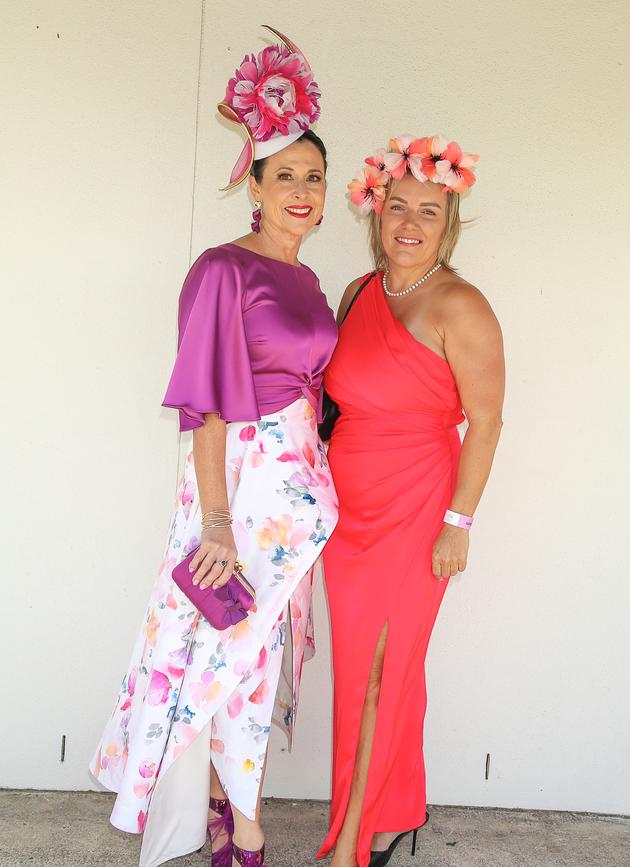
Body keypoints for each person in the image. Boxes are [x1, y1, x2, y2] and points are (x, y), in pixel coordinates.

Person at [90, 28, 337, 867]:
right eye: (285, 178)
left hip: (294, 492)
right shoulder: (222, 270)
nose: (302, 191)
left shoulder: (305, 279)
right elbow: (205, 410)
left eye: (314, 177)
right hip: (237, 489)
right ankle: (241, 824)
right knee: (215, 642)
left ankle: (239, 809)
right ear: (255, 188)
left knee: (256, 655)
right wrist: (219, 523)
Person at [317, 135, 505, 867]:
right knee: (366, 669)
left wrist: (459, 522)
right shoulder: (359, 294)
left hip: (419, 506)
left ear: (448, 221)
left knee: (380, 671)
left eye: (429, 210)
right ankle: (394, 809)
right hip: (347, 514)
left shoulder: (462, 304)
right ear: (376, 211)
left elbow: (486, 421)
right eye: (399, 205)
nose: (410, 221)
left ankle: (351, 845)